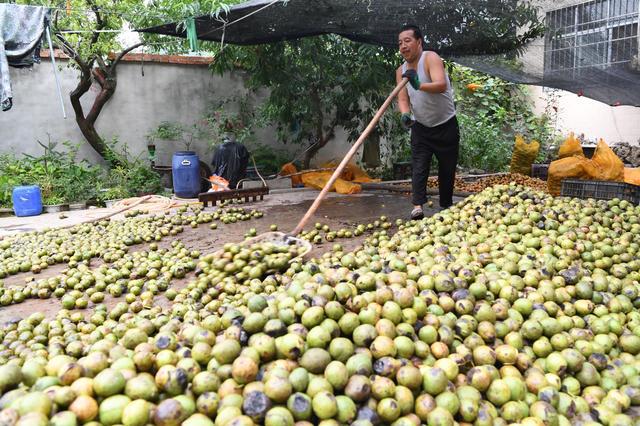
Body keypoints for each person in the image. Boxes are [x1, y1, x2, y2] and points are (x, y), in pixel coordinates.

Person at [396, 24, 459, 220]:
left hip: (446, 124)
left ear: (419, 42)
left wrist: (419, 84)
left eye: (407, 41)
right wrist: (405, 114)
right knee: (419, 166)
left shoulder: (430, 58)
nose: (403, 46)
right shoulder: (401, 71)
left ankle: (446, 206)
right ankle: (417, 207)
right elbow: (403, 98)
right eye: (400, 43)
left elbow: (440, 85)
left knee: (447, 169)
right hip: (421, 127)